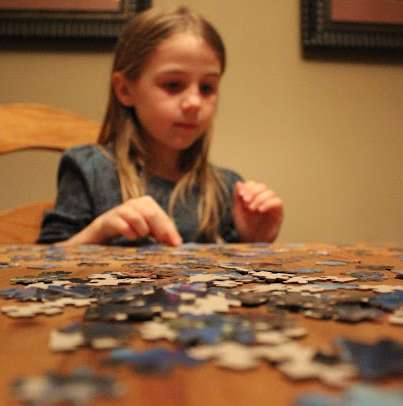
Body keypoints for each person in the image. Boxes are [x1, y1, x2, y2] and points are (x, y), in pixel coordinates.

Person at [37, 6, 283, 246]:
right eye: (173, 85)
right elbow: (45, 262)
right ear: (125, 90)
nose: (194, 103)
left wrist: (252, 239)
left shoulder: (227, 188)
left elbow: (229, 270)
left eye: (207, 88)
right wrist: (100, 231)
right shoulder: (89, 169)